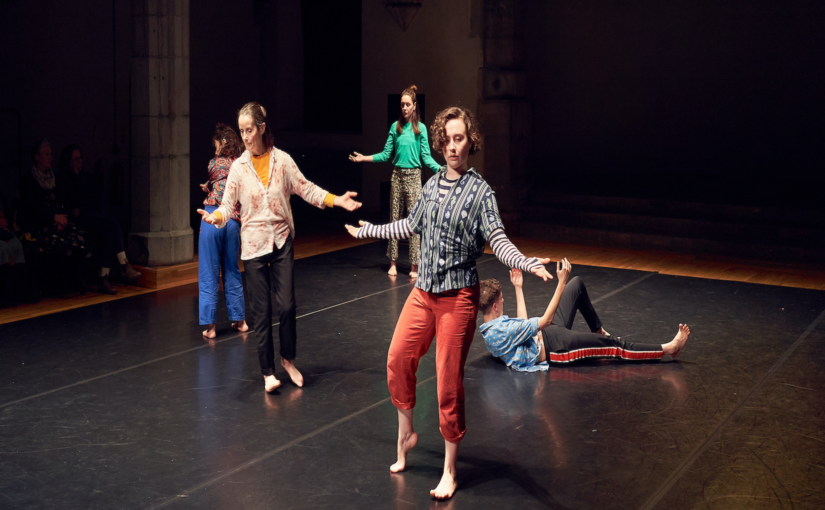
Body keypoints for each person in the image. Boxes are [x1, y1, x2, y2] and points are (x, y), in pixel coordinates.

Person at [345, 106, 552, 500]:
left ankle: (449, 469)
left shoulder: (481, 193)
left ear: (470, 141)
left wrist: (524, 261)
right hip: (423, 293)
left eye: (460, 138)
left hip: (458, 297)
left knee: (447, 382)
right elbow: (410, 224)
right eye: (447, 139)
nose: (453, 146)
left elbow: (499, 239)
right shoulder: (431, 184)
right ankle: (406, 433)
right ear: (439, 142)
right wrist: (367, 230)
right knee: (397, 357)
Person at [198, 102, 362, 393]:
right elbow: (226, 205)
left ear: (261, 129)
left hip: (281, 240)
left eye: (250, 130)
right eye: (242, 131)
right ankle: (268, 373)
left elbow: (306, 188)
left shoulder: (282, 161)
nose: (245, 137)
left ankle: (287, 358)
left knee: (286, 306)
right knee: (261, 314)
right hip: (252, 247)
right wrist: (217, 217)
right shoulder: (238, 167)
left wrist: (337, 200)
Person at [479, 264, 690, 372]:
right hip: (557, 348)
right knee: (613, 346)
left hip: (548, 334)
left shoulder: (492, 326)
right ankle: (668, 349)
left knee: (576, 284)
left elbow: (525, 327)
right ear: (495, 305)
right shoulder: (499, 331)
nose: (504, 300)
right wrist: (561, 283)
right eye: (502, 299)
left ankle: (598, 330)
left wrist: (518, 288)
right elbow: (544, 320)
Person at [348, 85, 440, 279]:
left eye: (408, 105)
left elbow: (427, 157)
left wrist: (443, 170)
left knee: (415, 222)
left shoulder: (420, 129)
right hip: (397, 176)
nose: (405, 108)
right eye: (402, 105)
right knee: (395, 219)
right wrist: (364, 158)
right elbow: (385, 154)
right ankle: (393, 261)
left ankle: (415, 265)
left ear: (414, 106)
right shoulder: (395, 127)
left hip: (414, 177)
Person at [59, 144, 141, 294]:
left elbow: (94, 199)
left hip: (91, 215)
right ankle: (123, 265)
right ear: (68, 162)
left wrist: (83, 206)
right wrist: (81, 203)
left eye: (80, 158)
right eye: (76, 159)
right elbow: (72, 202)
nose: (80, 162)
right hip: (79, 220)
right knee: (113, 224)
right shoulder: (65, 180)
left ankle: (104, 279)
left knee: (109, 235)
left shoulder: (87, 177)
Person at [18, 139, 88, 295]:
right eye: (46, 154)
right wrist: (53, 218)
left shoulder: (56, 177)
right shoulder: (29, 180)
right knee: (58, 244)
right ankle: (58, 287)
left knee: (81, 241)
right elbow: (31, 209)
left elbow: (66, 200)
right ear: (37, 157)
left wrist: (63, 218)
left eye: (51, 154)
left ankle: (75, 282)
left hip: (60, 222)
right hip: (41, 226)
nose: (50, 157)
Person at [198, 123, 247, 339]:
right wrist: (209, 186)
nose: (215, 147)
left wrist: (208, 188)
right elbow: (228, 184)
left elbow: (217, 177)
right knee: (232, 270)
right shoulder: (240, 164)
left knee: (209, 272)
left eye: (217, 144)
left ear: (223, 143)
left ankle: (211, 328)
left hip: (212, 217)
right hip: (233, 222)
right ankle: (240, 321)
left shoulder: (213, 163)